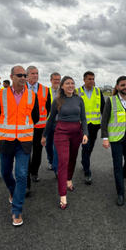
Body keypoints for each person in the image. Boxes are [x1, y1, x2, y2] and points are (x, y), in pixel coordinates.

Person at [0, 65, 40, 226]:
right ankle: (12, 191)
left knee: (21, 174)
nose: (23, 78)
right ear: (11, 77)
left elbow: (36, 117)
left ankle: (17, 210)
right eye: (19, 75)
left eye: (25, 75)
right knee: (5, 173)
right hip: (5, 140)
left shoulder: (32, 96)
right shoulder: (2, 94)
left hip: (24, 142)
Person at [42, 76, 88, 209]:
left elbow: (83, 118)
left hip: (76, 132)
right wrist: (44, 135)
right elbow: (50, 119)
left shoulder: (79, 100)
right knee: (63, 161)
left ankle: (69, 179)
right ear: (62, 86)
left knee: (72, 158)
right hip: (61, 131)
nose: (70, 85)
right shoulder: (57, 100)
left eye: (72, 83)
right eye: (67, 83)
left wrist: (85, 133)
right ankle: (63, 195)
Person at [102, 76, 126, 206]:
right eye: (123, 85)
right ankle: (120, 193)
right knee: (117, 165)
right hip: (116, 138)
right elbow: (105, 120)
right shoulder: (111, 100)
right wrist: (105, 138)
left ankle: (121, 177)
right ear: (117, 86)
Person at [26, 66, 52, 188]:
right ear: (27, 75)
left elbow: (48, 108)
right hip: (25, 126)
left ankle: (34, 172)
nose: (35, 75)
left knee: (38, 150)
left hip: (40, 126)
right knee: (25, 151)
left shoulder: (45, 89)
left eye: (37, 73)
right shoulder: (21, 88)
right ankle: (26, 173)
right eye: (33, 73)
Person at [78, 71, 106, 184]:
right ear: (84, 79)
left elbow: (103, 109)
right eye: (89, 79)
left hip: (95, 125)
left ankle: (84, 161)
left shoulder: (98, 92)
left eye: (93, 79)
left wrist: (105, 124)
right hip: (82, 125)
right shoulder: (77, 92)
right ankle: (87, 172)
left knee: (91, 147)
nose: (92, 81)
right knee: (86, 147)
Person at [46, 72, 62, 173]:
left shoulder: (63, 92)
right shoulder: (46, 91)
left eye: (58, 79)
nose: (57, 81)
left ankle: (56, 168)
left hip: (59, 123)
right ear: (51, 80)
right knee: (48, 145)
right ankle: (50, 160)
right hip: (48, 123)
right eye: (55, 79)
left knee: (57, 146)